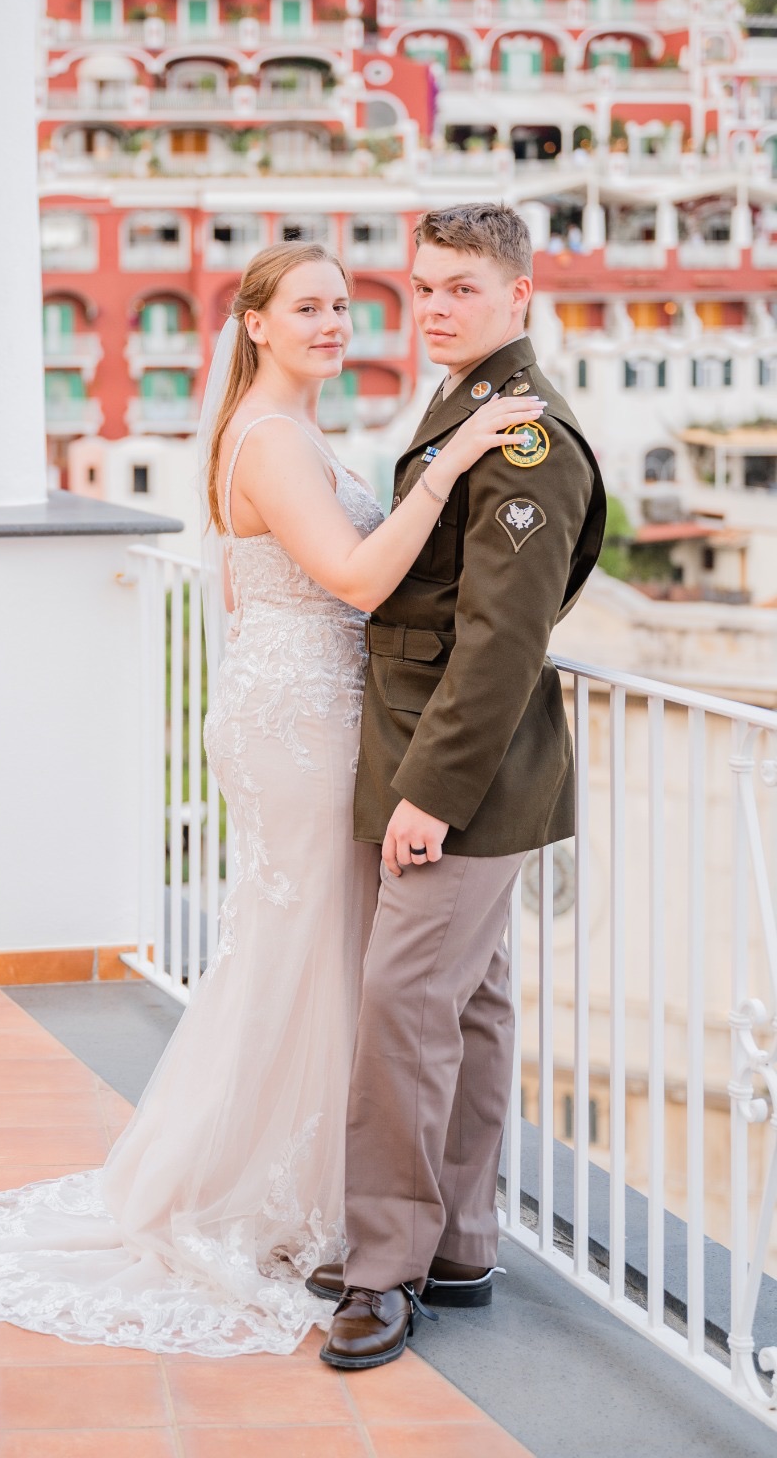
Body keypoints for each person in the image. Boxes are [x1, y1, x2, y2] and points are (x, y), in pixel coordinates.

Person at [0, 239, 545, 1357]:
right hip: (306, 723)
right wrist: (449, 465)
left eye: (343, 305)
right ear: (254, 324)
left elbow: (253, 590)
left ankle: (325, 1189)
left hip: (295, 703)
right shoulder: (272, 437)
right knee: (313, 949)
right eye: (307, 308)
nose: (334, 323)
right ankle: (294, 1197)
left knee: (307, 949)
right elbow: (357, 579)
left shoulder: (277, 428)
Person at [305, 203, 607, 1371]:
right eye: (422, 286)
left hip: (462, 775)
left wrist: (428, 794)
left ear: (518, 295)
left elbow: (498, 641)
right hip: (442, 758)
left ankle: (383, 1269)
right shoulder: (467, 405)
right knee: (467, 1006)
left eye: (461, 289)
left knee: (401, 1008)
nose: (432, 307)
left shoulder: (526, 438)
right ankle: (461, 1244)